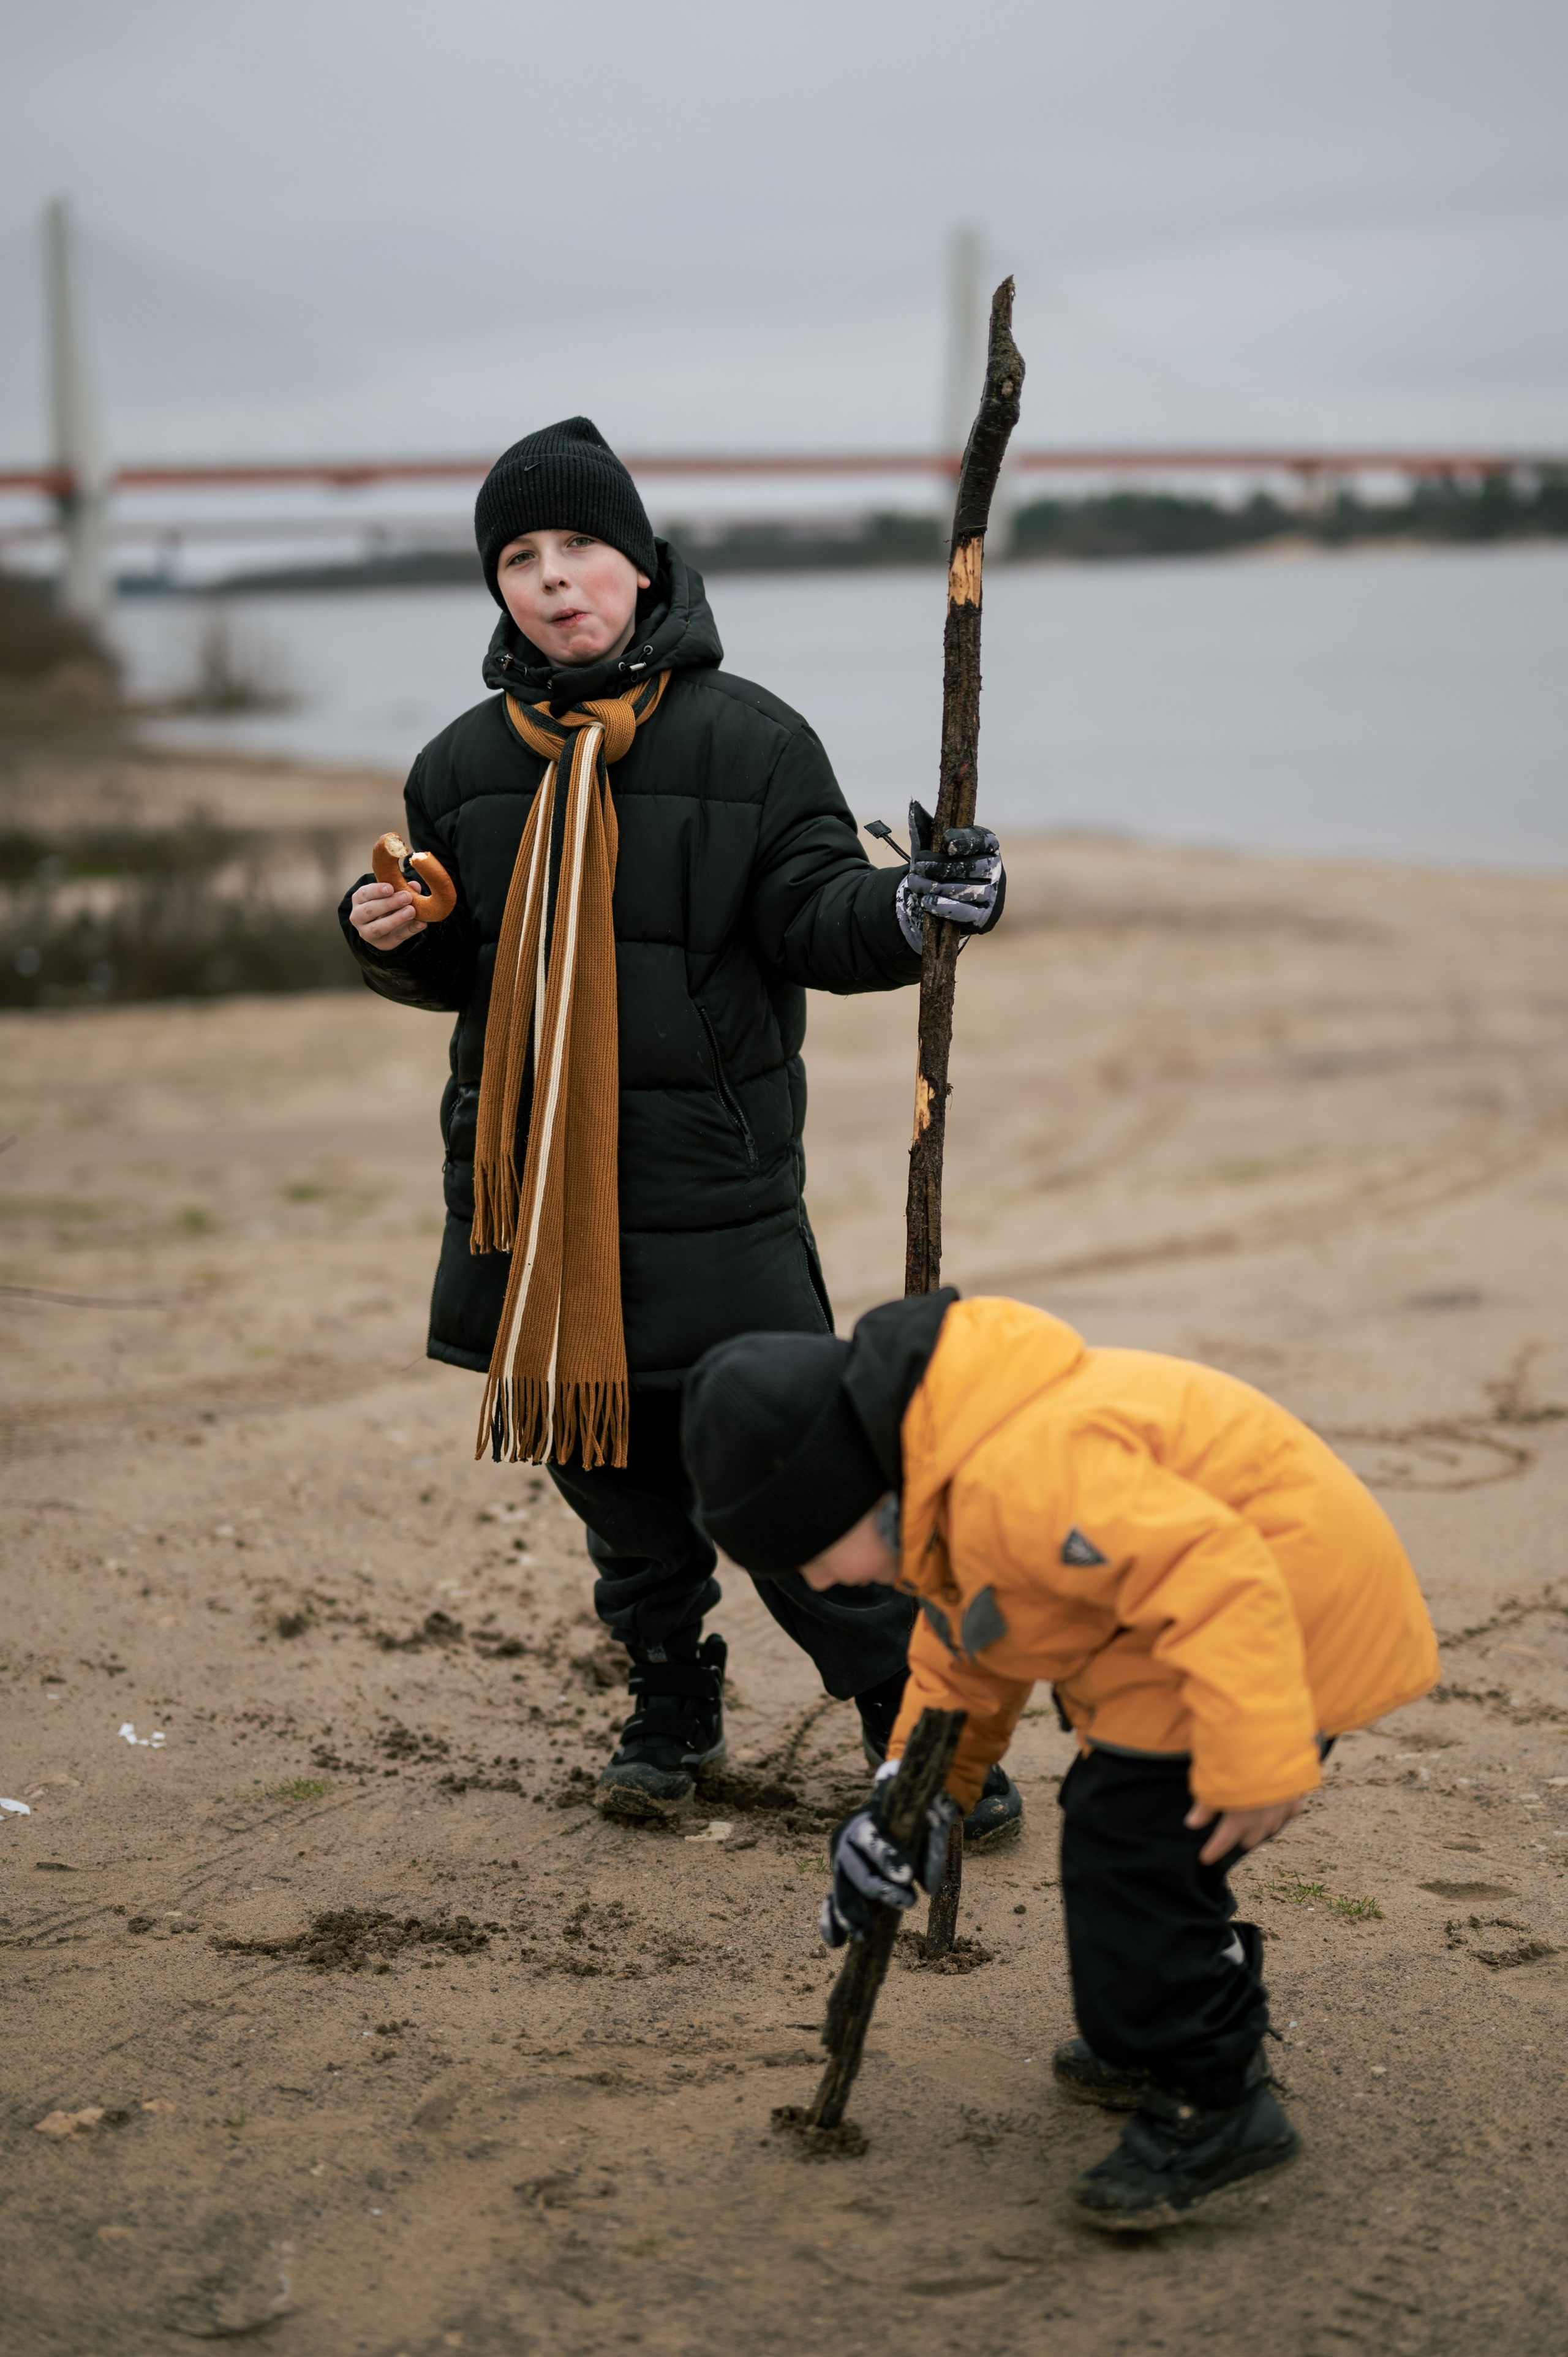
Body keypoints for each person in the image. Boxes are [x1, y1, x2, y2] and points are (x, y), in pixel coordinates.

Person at [339, 414, 1019, 1838]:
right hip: (534, 1204)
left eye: (579, 545)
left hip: (713, 1192)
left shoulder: (753, 742)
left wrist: (911, 908)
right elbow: (461, 971)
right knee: (610, 1476)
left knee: (787, 1470)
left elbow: (816, 911)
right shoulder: (464, 763)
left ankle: (916, 1731)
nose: (551, 578)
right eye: (518, 557)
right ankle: (670, 1695)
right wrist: (392, 933)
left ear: (642, 565)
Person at [680, 1288, 1439, 2230]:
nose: (824, 1584)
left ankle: (1216, 2097)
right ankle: (1160, 2014)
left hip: (1277, 1626)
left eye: (810, 1557)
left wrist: (1257, 1754)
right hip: (1184, 1639)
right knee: (1135, 1841)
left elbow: (1217, 1573)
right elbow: (972, 1649)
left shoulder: (1022, 1477)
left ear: (845, 1489)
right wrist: (910, 1802)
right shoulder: (944, 1474)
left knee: (1134, 1849)